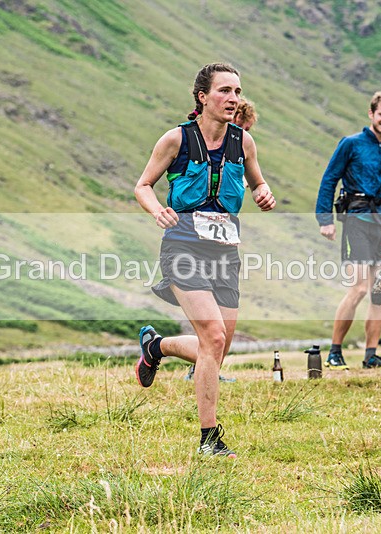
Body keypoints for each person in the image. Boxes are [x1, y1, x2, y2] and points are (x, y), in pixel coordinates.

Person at [133, 63, 276, 457]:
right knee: (213, 338)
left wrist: (263, 193)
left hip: (225, 251)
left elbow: (257, 181)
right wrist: (157, 210)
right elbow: (143, 185)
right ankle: (209, 439)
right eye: (225, 91)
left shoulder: (243, 142)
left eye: (237, 91)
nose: (233, 99)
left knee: (217, 347)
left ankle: (156, 348)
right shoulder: (176, 139)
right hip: (183, 246)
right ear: (203, 96)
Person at [315, 91, 381, 370]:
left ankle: (371, 355)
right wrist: (324, 219)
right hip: (357, 220)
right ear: (371, 114)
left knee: (380, 291)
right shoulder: (351, 144)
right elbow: (330, 179)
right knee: (360, 287)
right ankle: (334, 352)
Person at [184, 98, 258, 383]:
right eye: (241, 127)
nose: (241, 134)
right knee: (212, 328)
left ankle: (195, 364)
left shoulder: (241, 148)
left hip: (225, 242)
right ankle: (196, 367)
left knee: (221, 330)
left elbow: (250, 185)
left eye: (247, 130)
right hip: (190, 242)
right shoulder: (194, 141)